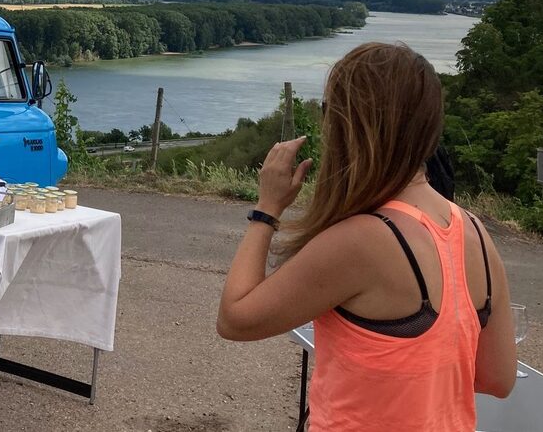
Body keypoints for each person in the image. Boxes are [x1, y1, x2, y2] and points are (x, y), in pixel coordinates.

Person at [217, 42, 516, 431]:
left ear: (348, 125)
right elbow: (498, 378)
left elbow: (235, 320)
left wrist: (267, 209)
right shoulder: (474, 231)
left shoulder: (361, 241)